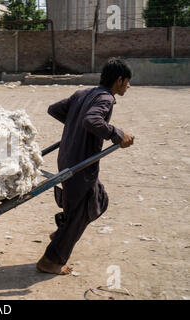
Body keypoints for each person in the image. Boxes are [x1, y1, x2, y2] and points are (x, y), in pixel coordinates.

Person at [36, 58, 135, 275]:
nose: (128, 86)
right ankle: (51, 260)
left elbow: (55, 109)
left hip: (68, 158)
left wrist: (75, 123)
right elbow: (92, 120)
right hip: (80, 163)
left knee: (100, 198)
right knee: (84, 209)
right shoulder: (106, 98)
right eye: (127, 82)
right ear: (119, 80)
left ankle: (63, 231)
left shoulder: (84, 93)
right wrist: (117, 135)